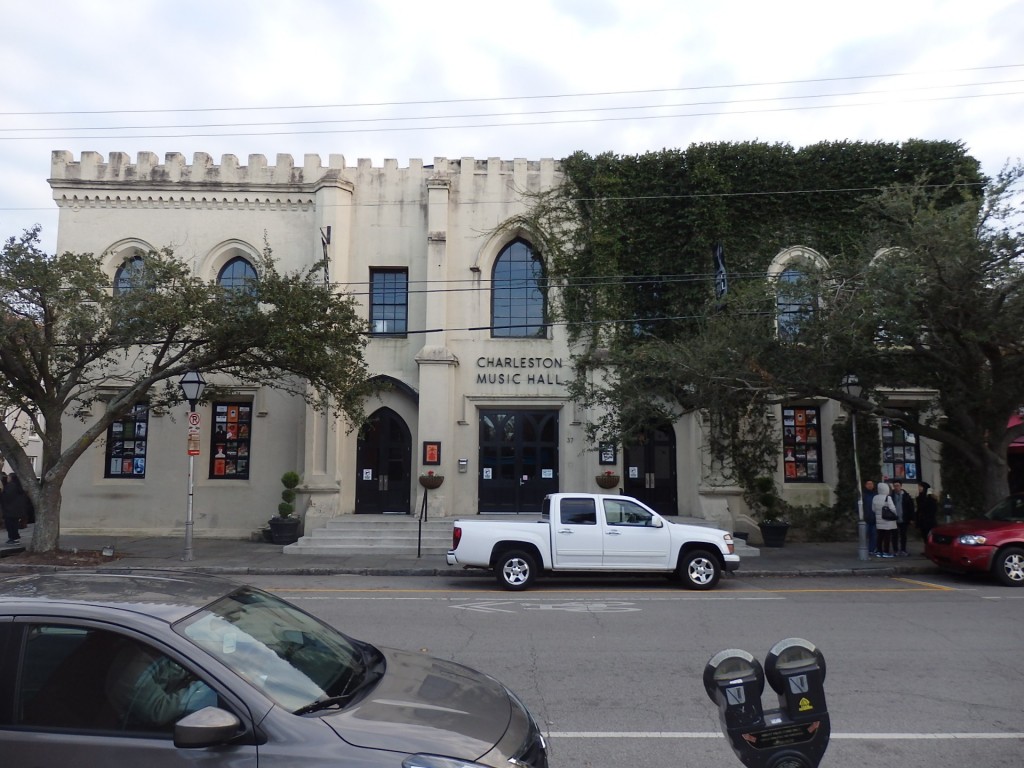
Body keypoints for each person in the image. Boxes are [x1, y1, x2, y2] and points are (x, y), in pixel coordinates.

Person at [105, 638, 215, 729]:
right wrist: (207, 686)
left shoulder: (156, 650)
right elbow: (159, 711)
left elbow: (177, 670)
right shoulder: (133, 669)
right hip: (142, 733)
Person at [2, 474, 33, 545]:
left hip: (10, 509)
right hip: (17, 509)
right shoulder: (19, 486)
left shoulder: (11, 486)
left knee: (10, 525)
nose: (7, 478)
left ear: (11, 478)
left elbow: (6, 496)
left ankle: (13, 538)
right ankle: (14, 537)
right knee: (14, 524)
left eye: (8, 477)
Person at [871, 481, 898, 558]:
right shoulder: (888, 498)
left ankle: (879, 551)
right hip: (888, 521)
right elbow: (892, 508)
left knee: (880, 537)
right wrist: (896, 515)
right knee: (887, 537)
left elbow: (873, 509)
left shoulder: (875, 497)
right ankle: (886, 551)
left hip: (879, 521)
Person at [891, 481, 915, 556]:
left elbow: (911, 508)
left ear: (901, 486)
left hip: (904, 518)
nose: (896, 487)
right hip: (894, 519)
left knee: (903, 535)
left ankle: (903, 549)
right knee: (894, 535)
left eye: (897, 485)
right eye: (895, 486)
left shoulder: (906, 496)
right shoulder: (891, 496)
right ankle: (895, 550)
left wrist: (912, 518)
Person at [916, 481, 938, 553]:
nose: (919, 488)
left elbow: (933, 510)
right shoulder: (919, 498)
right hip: (922, 520)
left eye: (920, 487)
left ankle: (931, 550)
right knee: (924, 535)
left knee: (929, 536)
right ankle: (927, 550)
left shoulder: (930, 499)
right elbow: (919, 509)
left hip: (929, 521)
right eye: (919, 487)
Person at [862, 479, 877, 556]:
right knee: (864, 535)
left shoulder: (876, 495)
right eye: (868, 484)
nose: (870, 485)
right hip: (866, 518)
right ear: (865, 485)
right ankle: (864, 549)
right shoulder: (863, 495)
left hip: (874, 519)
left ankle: (872, 549)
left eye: (871, 484)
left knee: (874, 535)